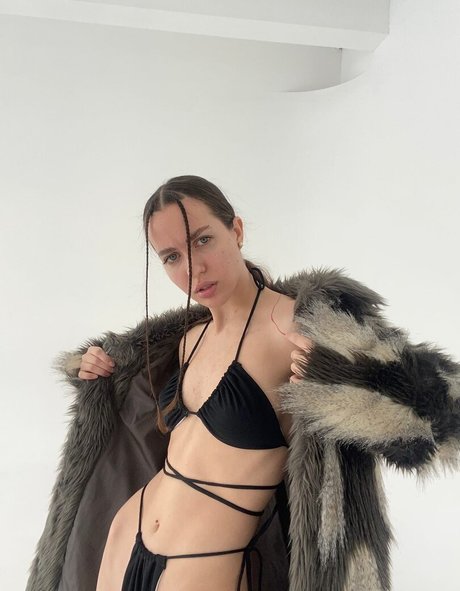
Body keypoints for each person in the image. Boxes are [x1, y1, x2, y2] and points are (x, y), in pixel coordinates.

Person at [26, 175, 460, 591]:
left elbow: (445, 415)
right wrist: (98, 372)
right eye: (172, 257)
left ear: (236, 230)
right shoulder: (187, 340)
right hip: (126, 536)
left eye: (202, 240)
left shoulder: (297, 327)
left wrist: (340, 374)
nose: (193, 268)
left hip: (205, 565)